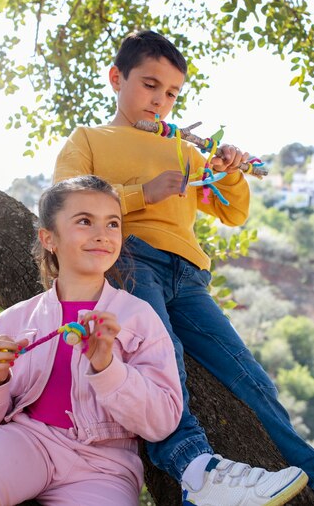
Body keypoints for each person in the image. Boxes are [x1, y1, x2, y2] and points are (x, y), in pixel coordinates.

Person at [53, 30, 313, 505]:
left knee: (248, 373)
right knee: (162, 359)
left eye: (172, 93)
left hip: (189, 275)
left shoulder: (183, 151)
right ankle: (195, 470)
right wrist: (140, 194)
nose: (161, 100)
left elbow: (231, 212)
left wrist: (230, 170)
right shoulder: (91, 138)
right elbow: (66, 201)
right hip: (132, 258)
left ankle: (308, 467)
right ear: (116, 78)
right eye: (150, 85)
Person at [0, 175, 184, 506]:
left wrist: (107, 366)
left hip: (104, 467)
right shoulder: (14, 320)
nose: (102, 235)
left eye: (112, 224)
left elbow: (162, 422)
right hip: (25, 442)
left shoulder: (138, 317)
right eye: (85, 221)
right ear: (48, 238)